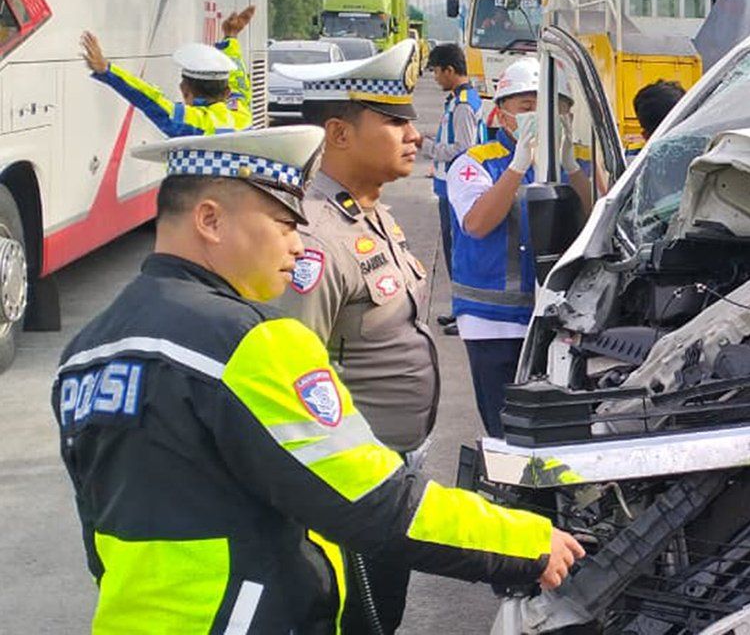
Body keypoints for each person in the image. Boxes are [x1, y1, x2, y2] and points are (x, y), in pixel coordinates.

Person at [52, 125, 583, 634]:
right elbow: (378, 502)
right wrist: (528, 541)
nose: (298, 247)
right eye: (284, 225)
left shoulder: (87, 349)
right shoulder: (251, 342)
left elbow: (99, 531)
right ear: (210, 221)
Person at [274, 41, 438, 631]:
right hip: (348, 486)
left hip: (390, 471)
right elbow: (291, 375)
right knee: (357, 620)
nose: (413, 134)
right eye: (395, 121)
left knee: (383, 611)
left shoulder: (371, 213)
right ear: (338, 134)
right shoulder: (313, 237)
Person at [447, 58, 590, 436]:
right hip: (492, 320)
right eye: (527, 108)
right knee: (505, 428)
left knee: (560, 429)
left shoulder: (578, 166)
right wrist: (517, 167)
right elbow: (477, 224)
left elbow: (598, 215)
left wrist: (570, 167)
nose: (540, 116)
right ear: (502, 115)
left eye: (554, 109)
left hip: (559, 317)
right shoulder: (474, 164)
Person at [80, 5, 256, 137]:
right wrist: (231, 37)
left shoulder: (189, 122)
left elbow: (149, 98)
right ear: (227, 93)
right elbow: (238, 81)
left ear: (184, 91)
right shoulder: (241, 113)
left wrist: (107, 70)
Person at [421, 43, 485, 336]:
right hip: (450, 187)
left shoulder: (462, 105)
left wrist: (427, 147)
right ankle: (460, 309)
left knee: (459, 252)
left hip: (457, 188)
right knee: (454, 251)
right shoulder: (458, 99)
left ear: (449, 69)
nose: (434, 77)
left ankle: (466, 312)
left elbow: (464, 148)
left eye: (436, 71)